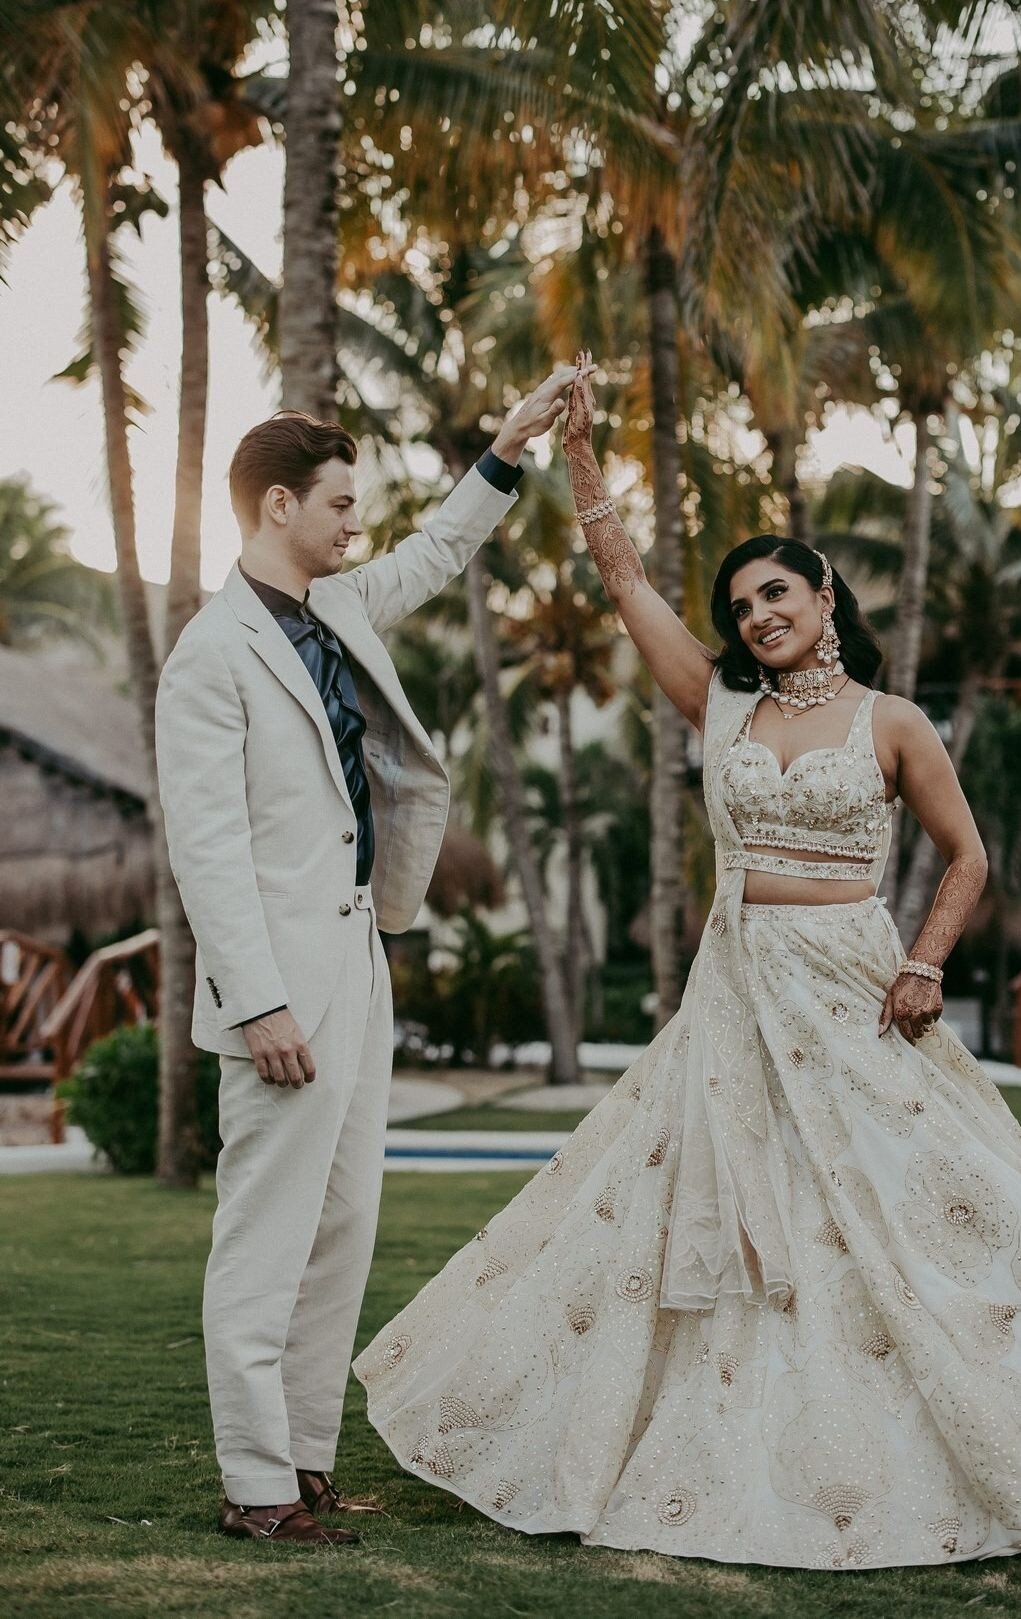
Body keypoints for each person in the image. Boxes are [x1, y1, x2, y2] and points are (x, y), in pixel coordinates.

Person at [353, 353, 1021, 1570]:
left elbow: (967, 857)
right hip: (739, 982)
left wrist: (927, 966)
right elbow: (623, 576)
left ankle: (1003, 1424)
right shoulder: (721, 708)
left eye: (776, 594)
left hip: (854, 978)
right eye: (741, 607)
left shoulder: (893, 721)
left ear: (825, 593)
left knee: (910, 1205)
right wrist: (578, 450)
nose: (758, 617)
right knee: (707, 1205)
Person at [154, 365, 579, 1545]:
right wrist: (259, 1002)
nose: (357, 523)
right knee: (266, 1238)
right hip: (278, 988)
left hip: (357, 955)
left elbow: (437, 553)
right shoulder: (210, 653)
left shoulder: (335, 608)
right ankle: (254, 1488)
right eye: (340, 502)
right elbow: (210, 852)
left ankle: (304, 1458)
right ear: (277, 504)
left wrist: (507, 443)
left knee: (342, 1225)